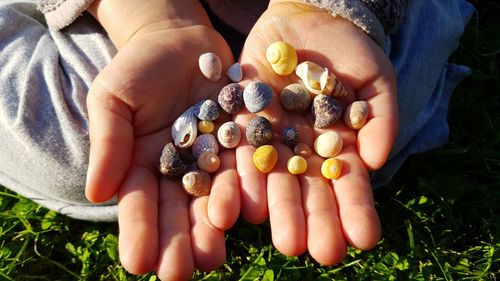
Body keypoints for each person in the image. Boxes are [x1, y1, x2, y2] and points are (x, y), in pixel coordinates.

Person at [0, 0, 473, 280]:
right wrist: (151, 17)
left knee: (389, 109)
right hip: (122, 13)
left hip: (323, 18)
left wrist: (336, 8)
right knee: (66, 147)